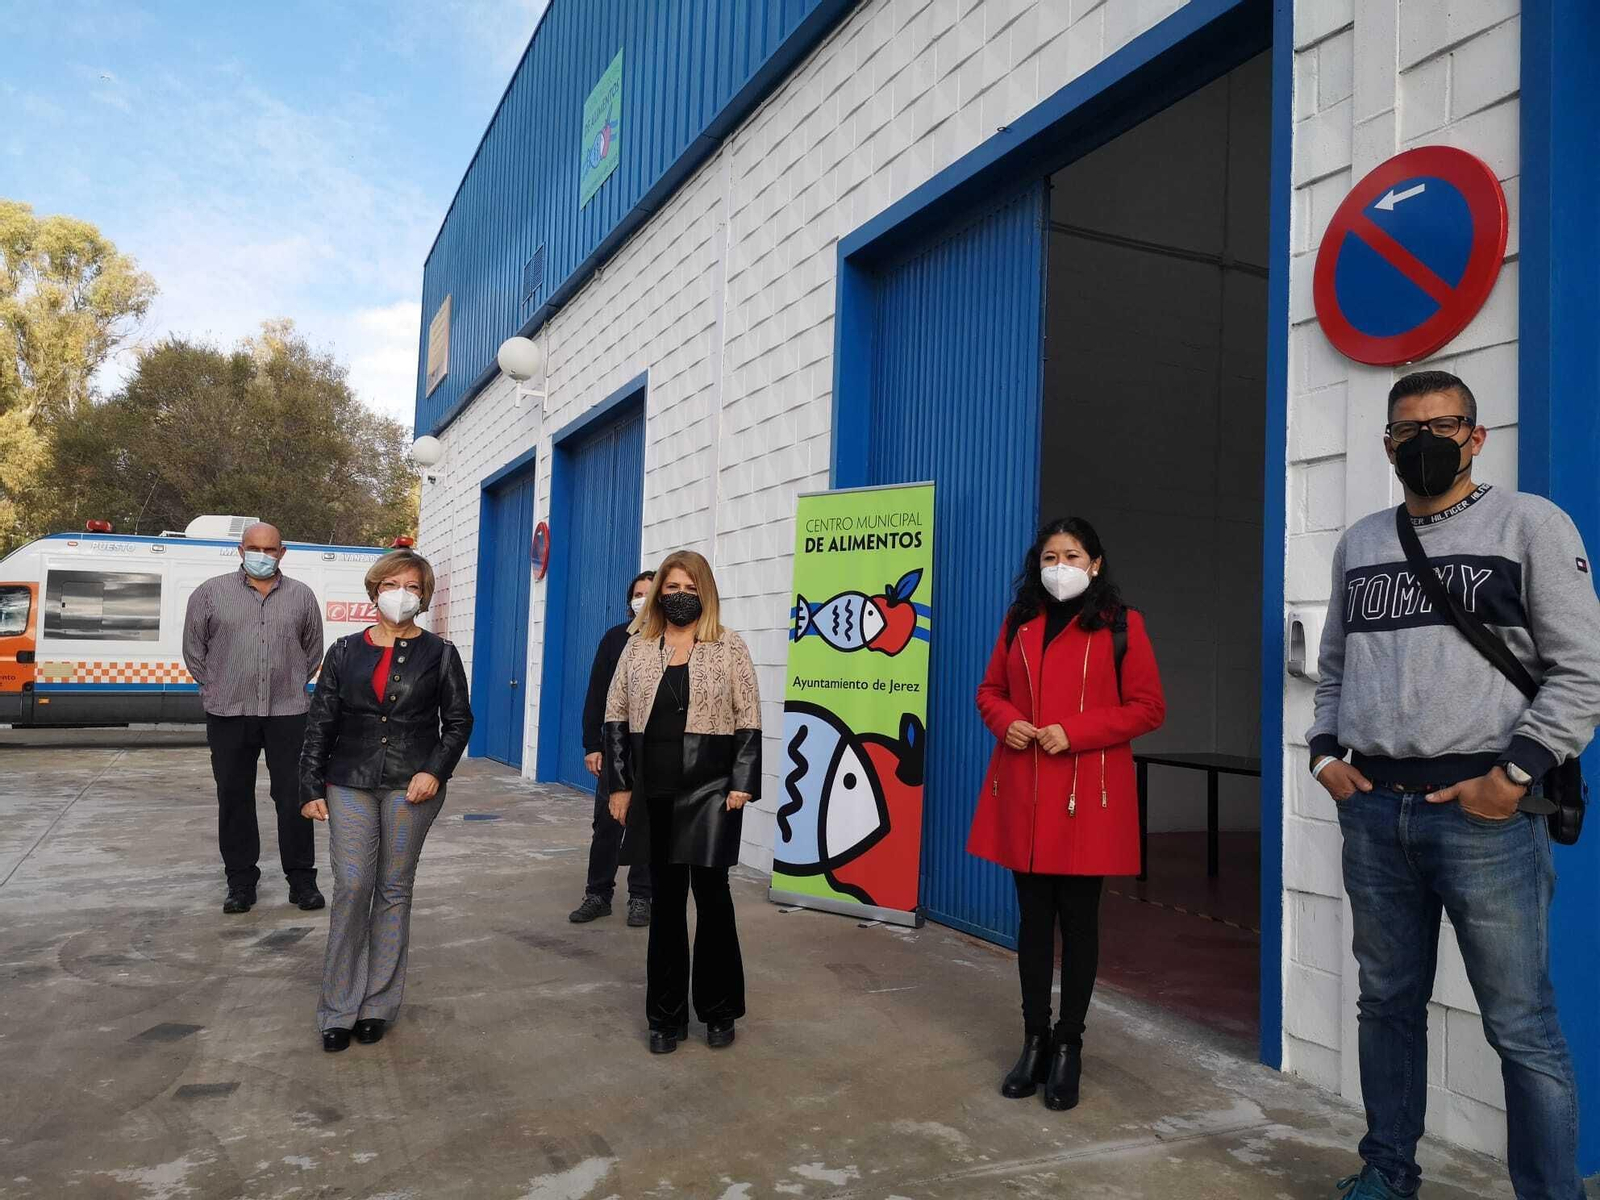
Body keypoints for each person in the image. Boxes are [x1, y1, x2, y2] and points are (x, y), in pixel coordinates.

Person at [1310, 371, 1600, 1200]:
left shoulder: (1530, 525)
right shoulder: (1361, 543)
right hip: (1374, 815)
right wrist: (1325, 755)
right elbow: (1334, 669)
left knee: (1520, 1025)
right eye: (1408, 431)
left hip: (1486, 822)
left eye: (1445, 426)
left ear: (1475, 437)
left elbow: (1583, 671)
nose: (1426, 442)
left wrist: (1514, 777)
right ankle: (1387, 1171)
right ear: (1389, 446)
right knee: (1386, 1003)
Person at [967, 517, 1165, 1111]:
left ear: (1095, 563)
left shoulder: (1124, 626)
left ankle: (1068, 1046)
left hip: (1087, 799)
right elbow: (989, 692)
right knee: (1032, 924)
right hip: (1026, 791)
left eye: (1073, 555)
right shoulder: (1019, 622)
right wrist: (1009, 723)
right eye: (1051, 555)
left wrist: (1072, 732)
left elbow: (1148, 708)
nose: (1061, 565)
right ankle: (1034, 1038)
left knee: (1079, 927)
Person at [298, 549, 473, 1053]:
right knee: (352, 886)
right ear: (375, 590)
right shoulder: (345, 650)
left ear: (424, 595)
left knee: (393, 889)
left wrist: (434, 771)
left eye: (414, 586)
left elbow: (458, 722)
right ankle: (337, 1007)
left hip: (410, 786)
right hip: (348, 780)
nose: (403, 593)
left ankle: (377, 1005)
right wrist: (310, 786)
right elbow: (320, 721)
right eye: (393, 583)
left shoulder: (440, 653)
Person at [602, 550, 761, 1055]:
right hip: (655, 791)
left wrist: (742, 781)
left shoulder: (728, 646)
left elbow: (749, 718)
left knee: (714, 901)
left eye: (689, 589)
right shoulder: (637, 647)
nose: (678, 597)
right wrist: (621, 786)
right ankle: (665, 1016)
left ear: (705, 593)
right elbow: (615, 719)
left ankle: (718, 1010)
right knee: (666, 905)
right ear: (655, 596)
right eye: (669, 588)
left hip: (713, 790)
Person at [182, 522, 326, 915]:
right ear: (240, 550)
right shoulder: (210, 594)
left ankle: (302, 881)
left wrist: (292, 681)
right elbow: (195, 651)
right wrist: (217, 687)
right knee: (234, 797)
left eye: (270, 548)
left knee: (295, 797)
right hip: (229, 713)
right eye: (254, 548)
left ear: (283, 552)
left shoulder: (301, 596)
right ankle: (241, 883)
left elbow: (312, 651)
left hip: (287, 713)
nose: (262, 555)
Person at [569, 571, 656, 927]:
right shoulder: (614, 640)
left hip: (654, 750)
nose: (643, 600)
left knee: (646, 825)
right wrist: (593, 744)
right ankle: (598, 894)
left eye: (651, 593)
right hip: (616, 748)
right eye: (638, 594)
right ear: (629, 600)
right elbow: (597, 695)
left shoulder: (673, 641)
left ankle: (641, 896)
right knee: (607, 822)